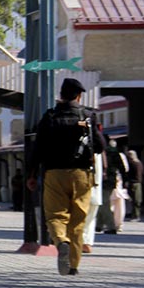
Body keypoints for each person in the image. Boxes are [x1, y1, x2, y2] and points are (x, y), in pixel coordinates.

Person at [27, 77, 105, 276]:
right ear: (79, 96)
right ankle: (73, 265)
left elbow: (38, 149)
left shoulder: (50, 116)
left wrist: (32, 174)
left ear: (61, 95)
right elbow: (101, 146)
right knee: (78, 220)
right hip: (82, 175)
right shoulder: (88, 116)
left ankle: (61, 240)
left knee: (55, 216)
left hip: (54, 173)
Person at [97, 139, 127, 234]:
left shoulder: (102, 151)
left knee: (103, 203)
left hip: (103, 181)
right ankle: (99, 224)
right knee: (101, 202)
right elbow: (122, 168)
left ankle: (111, 226)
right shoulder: (114, 152)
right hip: (110, 180)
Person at [125, 150, 144, 220]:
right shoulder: (139, 163)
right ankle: (134, 214)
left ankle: (136, 215)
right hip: (137, 183)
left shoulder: (133, 163)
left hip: (134, 183)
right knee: (135, 200)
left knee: (136, 200)